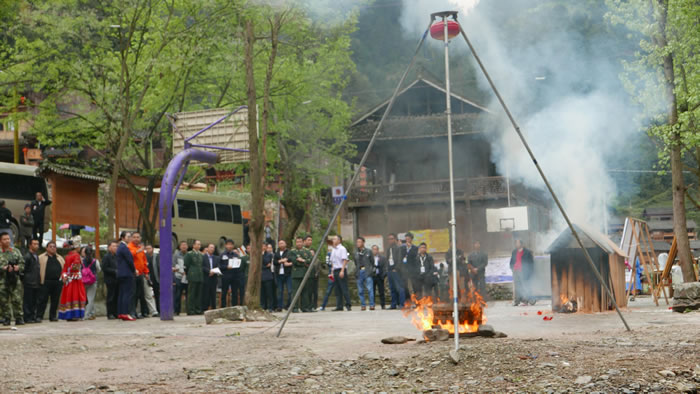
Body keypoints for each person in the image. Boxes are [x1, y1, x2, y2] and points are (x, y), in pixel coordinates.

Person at [57, 238, 87, 321]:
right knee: (76, 295)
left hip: (68, 279)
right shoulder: (76, 256)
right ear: (77, 247)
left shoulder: (67, 256)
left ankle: (68, 314)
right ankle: (75, 314)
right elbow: (75, 266)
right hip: (75, 279)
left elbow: (65, 268)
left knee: (68, 296)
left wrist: (65, 275)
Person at [0, 231, 25, 325]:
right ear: (0, 241)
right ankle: (6, 318)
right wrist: (3, 268)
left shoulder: (15, 251)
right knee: (3, 300)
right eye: (4, 239)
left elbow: (22, 263)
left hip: (15, 279)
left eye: (8, 239)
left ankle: (19, 317)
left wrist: (18, 267)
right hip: (2, 280)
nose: (7, 241)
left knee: (17, 299)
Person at [37, 241, 64, 322]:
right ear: (47, 248)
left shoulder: (60, 258)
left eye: (54, 247)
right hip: (45, 282)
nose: (53, 248)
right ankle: (39, 316)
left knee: (55, 300)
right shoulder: (41, 257)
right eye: (50, 246)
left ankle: (53, 316)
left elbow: (64, 269)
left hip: (57, 282)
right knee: (42, 300)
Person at [128, 232, 150, 318]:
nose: (136, 239)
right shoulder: (129, 247)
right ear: (131, 238)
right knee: (133, 294)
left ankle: (140, 312)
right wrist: (137, 251)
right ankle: (132, 312)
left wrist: (146, 272)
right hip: (133, 274)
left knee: (140, 294)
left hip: (140, 274)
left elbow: (144, 262)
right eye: (134, 237)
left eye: (138, 237)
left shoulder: (140, 248)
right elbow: (129, 256)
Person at [289, 236, 313, 313]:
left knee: (305, 291)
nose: (299, 243)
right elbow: (294, 261)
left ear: (303, 242)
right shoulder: (292, 251)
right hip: (296, 274)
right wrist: (304, 262)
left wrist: (302, 260)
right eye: (297, 242)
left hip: (305, 274)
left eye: (300, 242)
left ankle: (305, 307)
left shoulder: (307, 251)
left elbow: (310, 261)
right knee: (295, 291)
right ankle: (295, 307)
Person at [116, 231, 136, 321]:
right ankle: (125, 313)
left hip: (121, 273)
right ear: (123, 238)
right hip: (127, 273)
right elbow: (130, 261)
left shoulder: (120, 247)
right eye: (128, 236)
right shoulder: (124, 248)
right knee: (126, 294)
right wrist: (134, 270)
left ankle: (121, 312)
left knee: (122, 293)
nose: (129, 238)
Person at [509, 239, 535, 306]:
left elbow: (531, 263)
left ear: (521, 244)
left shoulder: (527, 252)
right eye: (516, 243)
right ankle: (517, 301)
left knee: (525, 286)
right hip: (516, 271)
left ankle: (529, 300)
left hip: (523, 271)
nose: (516, 244)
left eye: (518, 243)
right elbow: (511, 261)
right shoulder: (514, 252)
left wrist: (529, 272)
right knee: (517, 287)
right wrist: (512, 267)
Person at [331, 235, 351, 311]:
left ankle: (348, 304)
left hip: (341, 269)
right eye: (333, 239)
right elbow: (332, 261)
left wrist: (342, 270)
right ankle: (339, 305)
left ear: (339, 240)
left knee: (344, 288)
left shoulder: (342, 249)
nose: (333, 240)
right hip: (335, 270)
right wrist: (332, 272)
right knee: (337, 289)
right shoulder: (333, 249)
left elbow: (345, 260)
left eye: (335, 239)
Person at [22, 238, 41, 323]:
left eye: (37, 244)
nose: (36, 246)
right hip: (29, 282)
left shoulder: (36, 256)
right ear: (30, 245)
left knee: (34, 301)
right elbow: (23, 270)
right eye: (34, 244)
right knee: (28, 301)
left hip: (36, 282)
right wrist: (26, 279)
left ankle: (33, 316)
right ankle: (27, 317)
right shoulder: (27, 256)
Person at [184, 240, 204, 315]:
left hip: (199, 275)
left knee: (198, 294)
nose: (199, 246)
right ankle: (190, 310)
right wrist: (190, 273)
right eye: (197, 244)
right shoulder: (189, 254)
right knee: (191, 294)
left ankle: (198, 309)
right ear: (193, 245)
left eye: (200, 244)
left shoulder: (201, 254)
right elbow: (186, 265)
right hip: (192, 275)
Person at [220, 239, 242, 307]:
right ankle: (223, 307)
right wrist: (226, 267)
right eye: (228, 244)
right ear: (226, 245)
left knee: (235, 293)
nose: (229, 246)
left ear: (233, 246)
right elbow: (219, 266)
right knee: (224, 292)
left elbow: (239, 266)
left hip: (234, 276)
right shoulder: (222, 255)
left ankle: (234, 307)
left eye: (231, 245)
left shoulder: (236, 255)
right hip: (225, 276)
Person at [354, 237, 374, 311]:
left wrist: (371, 271)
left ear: (363, 243)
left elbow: (372, 262)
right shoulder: (355, 252)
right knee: (360, 290)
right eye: (357, 242)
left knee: (370, 289)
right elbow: (355, 262)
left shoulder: (368, 251)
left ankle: (372, 304)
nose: (358, 243)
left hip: (367, 271)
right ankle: (363, 305)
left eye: (359, 242)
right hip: (359, 272)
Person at [386, 233, 405, 309]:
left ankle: (402, 304)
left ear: (395, 239)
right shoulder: (388, 249)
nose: (390, 240)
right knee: (392, 288)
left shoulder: (398, 248)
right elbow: (387, 259)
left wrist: (396, 268)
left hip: (396, 270)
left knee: (400, 287)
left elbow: (400, 259)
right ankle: (393, 304)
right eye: (389, 239)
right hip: (389, 270)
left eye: (391, 239)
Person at [81, 245, 100, 320]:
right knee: (90, 298)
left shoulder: (81, 261)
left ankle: (84, 314)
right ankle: (87, 314)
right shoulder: (95, 261)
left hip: (83, 281)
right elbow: (98, 269)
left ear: (84, 253)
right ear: (92, 253)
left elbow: (79, 269)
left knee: (84, 298)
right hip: (93, 281)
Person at [102, 241, 119, 319]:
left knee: (116, 296)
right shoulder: (106, 257)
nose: (115, 248)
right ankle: (110, 313)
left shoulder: (116, 256)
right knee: (110, 297)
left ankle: (115, 312)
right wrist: (114, 271)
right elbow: (104, 268)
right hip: (110, 279)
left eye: (116, 246)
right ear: (109, 247)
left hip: (117, 279)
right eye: (113, 246)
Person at [273, 240, 291, 311]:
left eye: (282, 243)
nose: (281, 244)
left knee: (290, 291)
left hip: (287, 274)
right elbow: (274, 262)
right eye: (279, 243)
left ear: (285, 244)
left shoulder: (289, 252)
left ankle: (288, 305)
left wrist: (284, 260)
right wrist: (281, 261)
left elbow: (290, 259)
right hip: (278, 274)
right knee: (280, 291)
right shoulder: (276, 253)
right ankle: (279, 306)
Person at [172, 241, 188, 315]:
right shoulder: (176, 255)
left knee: (188, 294)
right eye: (182, 245)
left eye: (185, 245)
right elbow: (173, 265)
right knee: (178, 295)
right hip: (178, 277)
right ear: (180, 246)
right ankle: (176, 311)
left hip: (187, 277)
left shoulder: (189, 255)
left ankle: (188, 310)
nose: (184, 247)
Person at [201, 243, 219, 311]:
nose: (212, 249)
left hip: (214, 278)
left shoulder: (216, 258)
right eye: (210, 247)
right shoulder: (203, 257)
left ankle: (214, 308)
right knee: (206, 294)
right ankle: (205, 309)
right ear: (207, 248)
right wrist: (209, 271)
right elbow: (202, 266)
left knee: (213, 294)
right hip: (206, 277)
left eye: (213, 248)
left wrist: (213, 271)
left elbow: (218, 266)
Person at [303, 236, 319, 310]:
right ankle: (305, 306)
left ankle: (312, 305)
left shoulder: (315, 258)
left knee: (313, 291)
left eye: (311, 240)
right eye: (308, 240)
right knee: (306, 291)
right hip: (305, 274)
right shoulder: (303, 251)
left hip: (313, 276)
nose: (310, 241)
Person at [402, 232, 419, 299]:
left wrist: (409, 248)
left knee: (414, 286)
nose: (407, 241)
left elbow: (415, 257)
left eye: (408, 239)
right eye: (406, 239)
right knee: (405, 286)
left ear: (411, 239)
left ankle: (417, 301)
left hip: (412, 270)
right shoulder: (402, 248)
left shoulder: (415, 248)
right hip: (405, 270)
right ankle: (408, 301)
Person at [371, 245, 387, 309]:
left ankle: (383, 304)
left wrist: (383, 275)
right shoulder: (370, 258)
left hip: (380, 275)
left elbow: (385, 267)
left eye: (376, 249)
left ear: (378, 250)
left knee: (381, 291)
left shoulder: (382, 258)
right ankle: (372, 304)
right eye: (373, 249)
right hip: (372, 276)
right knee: (372, 291)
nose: (375, 251)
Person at [260, 243, 275, 312]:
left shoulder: (269, 254)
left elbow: (267, 262)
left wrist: (262, 255)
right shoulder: (258, 254)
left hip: (268, 276)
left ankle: (270, 307)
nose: (263, 247)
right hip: (260, 276)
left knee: (269, 293)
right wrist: (265, 266)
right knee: (262, 293)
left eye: (264, 246)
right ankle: (263, 306)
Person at [146, 245, 160, 313]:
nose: (148, 250)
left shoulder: (157, 256)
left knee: (158, 295)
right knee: (148, 295)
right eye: (147, 248)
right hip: (148, 278)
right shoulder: (145, 257)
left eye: (149, 248)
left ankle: (159, 309)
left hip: (156, 278)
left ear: (153, 249)